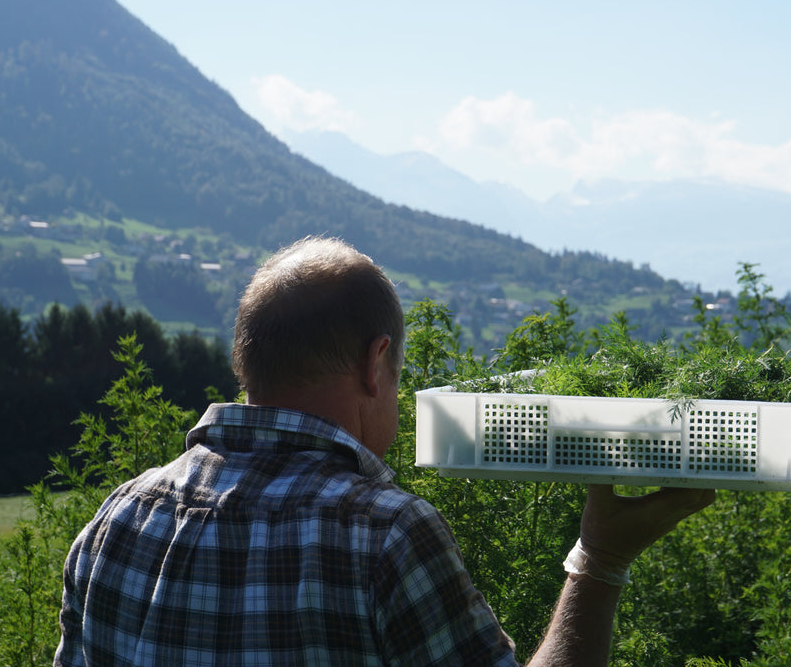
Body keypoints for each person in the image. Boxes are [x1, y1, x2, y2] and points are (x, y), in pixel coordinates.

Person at [55, 235, 714, 666]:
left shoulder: (113, 522)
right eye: (397, 376)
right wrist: (598, 560)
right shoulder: (383, 533)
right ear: (376, 364)